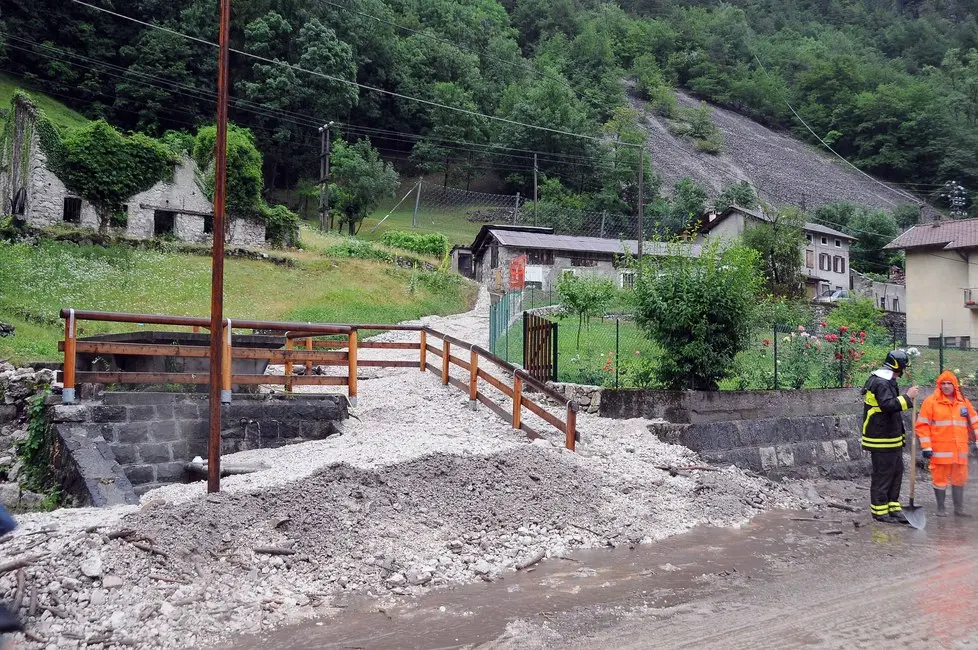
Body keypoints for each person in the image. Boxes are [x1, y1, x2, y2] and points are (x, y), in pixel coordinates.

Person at [861, 349, 919, 524]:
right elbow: (887, 405)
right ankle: (880, 511)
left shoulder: (888, 380)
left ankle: (893, 506)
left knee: (896, 471)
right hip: (880, 437)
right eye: (902, 369)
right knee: (883, 474)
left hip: (891, 436)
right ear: (897, 367)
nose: (902, 374)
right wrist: (908, 397)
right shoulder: (880, 382)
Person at [914, 370, 978, 517]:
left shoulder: (963, 402)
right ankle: (941, 508)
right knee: (939, 479)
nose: (946, 386)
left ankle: (959, 509)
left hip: (960, 450)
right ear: (939, 385)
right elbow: (922, 426)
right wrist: (926, 446)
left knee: (960, 478)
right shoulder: (931, 402)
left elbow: (975, 422)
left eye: (949, 383)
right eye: (943, 383)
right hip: (939, 450)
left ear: (955, 385)